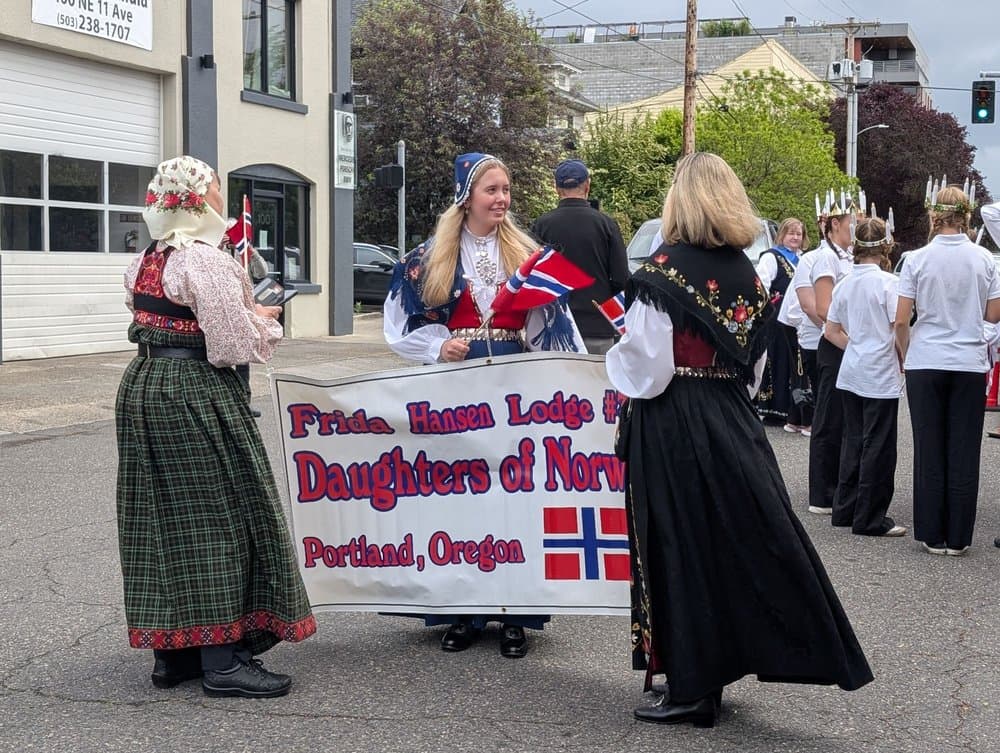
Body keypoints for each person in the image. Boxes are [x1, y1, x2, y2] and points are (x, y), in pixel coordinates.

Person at [607, 152, 872, 728]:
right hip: (732, 419)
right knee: (728, 542)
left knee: (676, 544)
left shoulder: (660, 273)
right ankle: (708, 675)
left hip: (673, 418)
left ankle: (693, 684)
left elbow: (646, 370)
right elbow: (752, 370)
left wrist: (612, 356)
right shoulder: (748, 274)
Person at [115, 156, 316, 698]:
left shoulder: (148, 259)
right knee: (220, 516)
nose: (222, 198)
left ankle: (174, 655)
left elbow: (143, 316)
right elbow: (230, 344)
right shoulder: (204, 259)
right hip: (194, 391)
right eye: (214, 188)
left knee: (162, 516)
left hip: (144, 385)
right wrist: (265, 323)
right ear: (198, 197)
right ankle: (222, 662)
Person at [384, 152, 585, 657]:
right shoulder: (431, 258)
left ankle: (514, 613)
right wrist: (437, 347)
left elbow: (553, 328)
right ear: (466, 197)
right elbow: (397, 327)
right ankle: (462, 611)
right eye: (491, 190)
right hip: (458, 393)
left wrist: (570, 379)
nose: (501, 199)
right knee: (460, 499)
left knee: (514, 500)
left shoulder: (529, 256)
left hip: (515, 395)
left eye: (506, 189)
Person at [895, 184, 1000, 556]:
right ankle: (958, 536)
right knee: (963, 448)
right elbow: (993, 314)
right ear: (966, 215)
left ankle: (931, 532)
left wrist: (905, 355)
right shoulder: (986, 260)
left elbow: (902, 318)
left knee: (929, 446)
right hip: (968, 361)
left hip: (926, 357)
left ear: (933, 215)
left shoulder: (916, 259)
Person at [823, 217, 906, 537]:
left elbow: (830, 331)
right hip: (878, 371)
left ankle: (845, 508)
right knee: (879, 445)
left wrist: (856, 345)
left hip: (852, 369)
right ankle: (870, 517)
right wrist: (902, 355)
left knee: (853, 440)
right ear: (884, 247)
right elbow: (898, 325)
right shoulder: (888, 283)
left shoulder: (844, 284)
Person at [530, 159, 629, 354]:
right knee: (596, 384)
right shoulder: (606, 225)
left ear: (556, 188)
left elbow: (531, 278)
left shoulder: (541, 226)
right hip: (597, 326)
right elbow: (621, 279)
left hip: (556, 329)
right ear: (587, 185)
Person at [802, 201, 855, 515]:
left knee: (843, 418)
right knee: (828, 418)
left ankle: (838, 485)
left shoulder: (845, 257)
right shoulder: (825, 257)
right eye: (851, 223)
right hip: (834, 343)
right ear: (835, 224)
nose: (855, 228)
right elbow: (823, 308)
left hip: (844, 339)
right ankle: (822, 493)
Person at [754, 218, 808, 428]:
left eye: (799, 234)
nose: (795, 238)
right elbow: (762, 286)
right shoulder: (771, 257)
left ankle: (795, 408)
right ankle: (775, 408)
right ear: (782, 235)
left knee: (796, 364)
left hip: (799, 318)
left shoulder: (803, 259)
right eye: (791, 233)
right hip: (777, 318)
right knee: (778, 361)